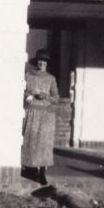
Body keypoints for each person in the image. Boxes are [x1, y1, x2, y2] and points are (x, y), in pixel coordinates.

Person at [21, 49, 59, 185]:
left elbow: (56, 98)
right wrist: (29, 96)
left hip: (45, 115)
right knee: (30, 141)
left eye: (45, 61)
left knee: (43, 144)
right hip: (31, 113)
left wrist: (46, 96)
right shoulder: (28, 76)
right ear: (36, 62)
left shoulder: (51, 78)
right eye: (40, 61)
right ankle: (29, 169)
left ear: (47, 64)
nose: (42, 63)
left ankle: (42, 173)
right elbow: (21, 91)